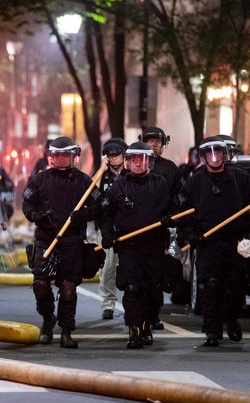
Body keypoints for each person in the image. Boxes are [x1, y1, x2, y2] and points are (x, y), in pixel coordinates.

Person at [177, 136, 250, 348]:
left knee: (235, 286)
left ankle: (231, 318)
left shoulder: (240, 177)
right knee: (211, 285)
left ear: (224, 154)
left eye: (218, 152)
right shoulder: (196, 180)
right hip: (208, 242)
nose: (214, 156)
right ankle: (212, 330)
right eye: (209, 153)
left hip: (234, 242)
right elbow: (184, 212)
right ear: (204, 157)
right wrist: (189, 233)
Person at [21, 136, 99, 348]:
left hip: (72, 241)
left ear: (74, 157)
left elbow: (99, 206)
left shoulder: (84, 181)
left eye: (66, 155)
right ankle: (48, 319)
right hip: (46, 239)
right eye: (58, 156)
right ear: (51, 158)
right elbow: (27, 204)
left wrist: (82, 215)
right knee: (40, 285)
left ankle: (66, 331)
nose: (62, 160)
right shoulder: (40, 180)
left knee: (68, 287)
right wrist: (37, 216)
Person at [99, 142, 178, 348]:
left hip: (153, 245)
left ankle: (146, 326)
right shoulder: (119, 186)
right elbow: (105, 213)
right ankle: (133, 329)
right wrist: (107, 234)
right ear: (127, 162)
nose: (136, 164)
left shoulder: (160, 183)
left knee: (152, 290)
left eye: (140, 160)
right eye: (132, 160)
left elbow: (173, 208)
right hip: (129, 246)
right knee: (133, 288)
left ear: (149, 162)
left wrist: (170, 219)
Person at [139, 126, 183, 330]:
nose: (153, 145)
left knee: (156, 278)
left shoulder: (171, 169)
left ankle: (154, 316)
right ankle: (135, 314)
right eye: (149, 141)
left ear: (163, 144)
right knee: (135, 279)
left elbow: (179, 197)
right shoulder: (134, 166)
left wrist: (171, 218)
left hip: (161, 231)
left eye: (157, 141)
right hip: (136, 232)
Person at [96, 137, 128, 320]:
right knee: (107, 268)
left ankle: (129, 303)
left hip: (127, 227)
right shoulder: (102, 175)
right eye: (110, 155)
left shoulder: (130, 174)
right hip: (106, 227)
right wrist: (101, 170)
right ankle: (108, 303)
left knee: (127, 267)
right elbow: (91, 193)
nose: (114, 158)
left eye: (117, 154)